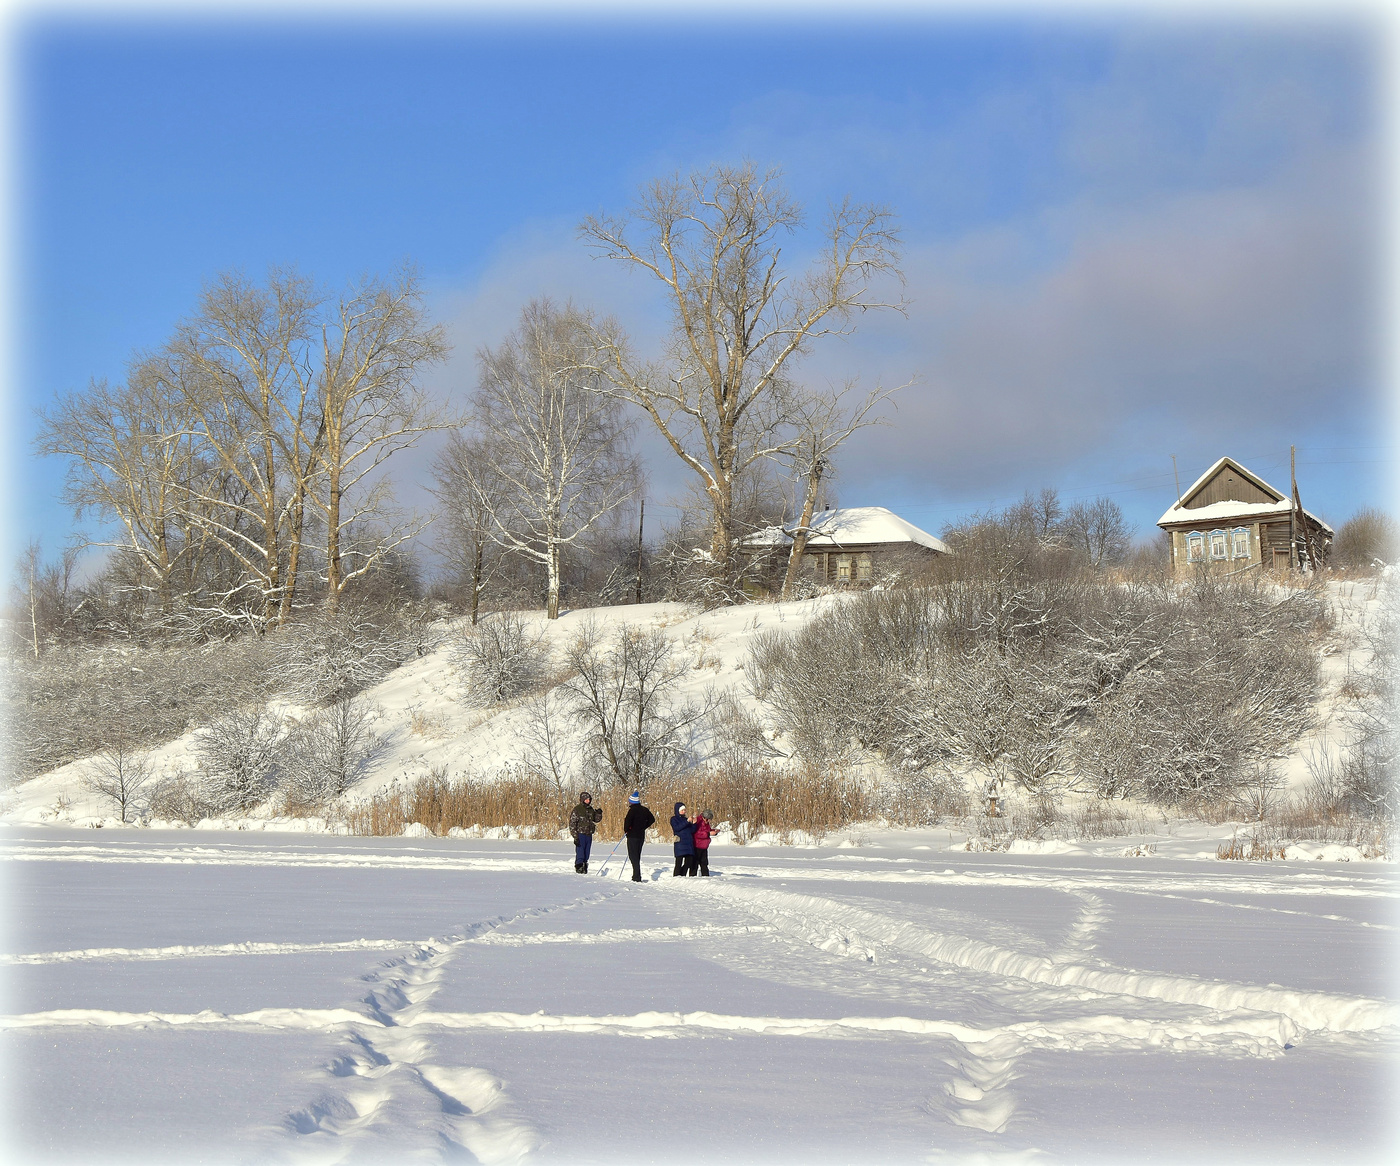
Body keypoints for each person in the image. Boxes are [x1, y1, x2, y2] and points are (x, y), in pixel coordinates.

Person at [622, 790, 655, 883]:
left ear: (632, 802)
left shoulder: (632, 811)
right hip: (641, 836)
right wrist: (644, 826)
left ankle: (637, 877)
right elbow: (652, 819)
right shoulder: (644, 810)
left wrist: (627, 830)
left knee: (633, 856)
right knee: (637, 855)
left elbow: (627, 822)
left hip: (632, 836)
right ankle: (636, 875)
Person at [569, 791, 602, 873]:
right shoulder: (577, 809)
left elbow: (596, 820)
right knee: (580, 852)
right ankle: (579, 867)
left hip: (589, 834)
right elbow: (572, 824)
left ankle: (584, 866)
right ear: (582, 799)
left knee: (587, 852)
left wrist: (598, 814)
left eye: (589, 799)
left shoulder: (590, 809)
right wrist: (575, 837)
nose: (588, 801)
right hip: (580, 834)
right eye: (586, 799)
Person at [670, 802, 696, 877]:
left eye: (684, 810)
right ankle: (676, 876)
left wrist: (694, 824)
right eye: (682, 810)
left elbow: (692, 830)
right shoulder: (674, 819)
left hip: (688, 843)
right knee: (679, 862)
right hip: (680, 843)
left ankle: (682, 875)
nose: (684, 811)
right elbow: (677, 828)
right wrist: (687, 821)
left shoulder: (685, 819)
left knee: (689, 861)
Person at [692, 808, 715, 876]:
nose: (708, 821)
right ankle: (692, 877)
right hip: (697, 846)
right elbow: (697, 833)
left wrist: (714, 831)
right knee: (694, 864)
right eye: (707, 819)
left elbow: (708, 830)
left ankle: (706, 877)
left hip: (704, 846)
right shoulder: (698, 821)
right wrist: (708, 834)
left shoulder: (706, 823)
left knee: (704, 864)